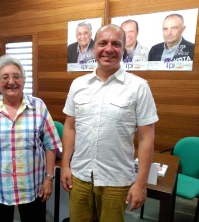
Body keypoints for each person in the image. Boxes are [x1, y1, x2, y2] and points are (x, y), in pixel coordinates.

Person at [61, 24, 159, 222]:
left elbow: (146, 137)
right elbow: (70, 128)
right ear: (93, 48)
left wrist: (140, 184)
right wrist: (65, 166)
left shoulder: (139, 87)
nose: (108, 49)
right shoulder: (78, 85)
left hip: (116, 180)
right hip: (80, 176)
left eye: (116, 44)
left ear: (124, 48)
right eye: (102, 43)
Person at [0, 54, 62, 222]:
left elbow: (50, 145)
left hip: (33, 187)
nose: (11, 81)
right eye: (5, 77)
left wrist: (49, 179)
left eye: (16, 76)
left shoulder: (38, 106)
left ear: (23, 80)